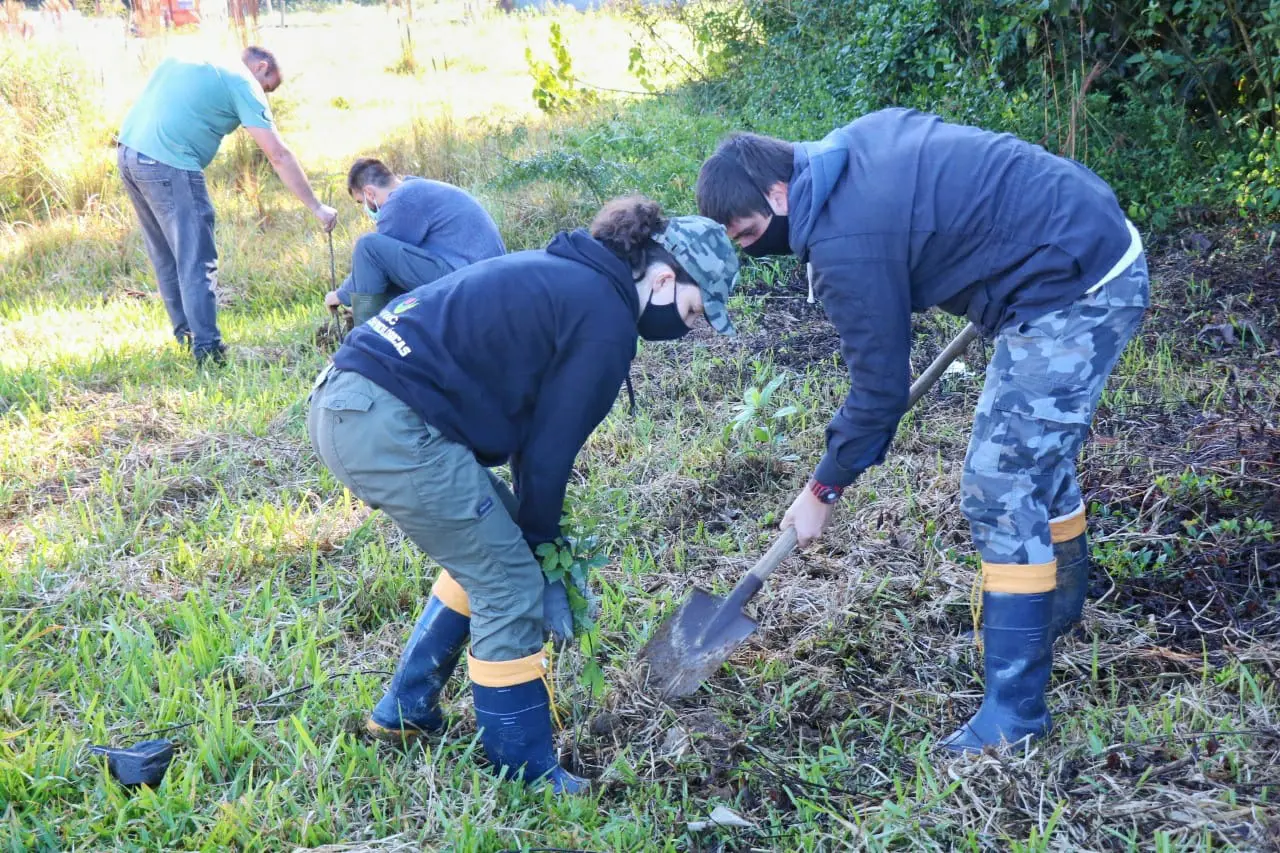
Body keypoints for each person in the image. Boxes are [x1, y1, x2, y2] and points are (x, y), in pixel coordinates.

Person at [695, 108, 1148, 754]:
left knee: (1000, 483)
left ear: (778, 194)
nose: (752, 247)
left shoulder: (844, 243)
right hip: (1085, 235)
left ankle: (1015, 716)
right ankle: (1060, 611)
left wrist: (822, 489)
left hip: (1079, 287)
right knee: (1032, 444)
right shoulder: (851, 143)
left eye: (749, 234)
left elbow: (878, 391)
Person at [307, 196, 739, 792]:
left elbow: (532, 439)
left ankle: (404, 712)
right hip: (388, 425)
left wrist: (537, 538)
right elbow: (547, 454)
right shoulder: (605, 319)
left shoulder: (570, 277)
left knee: (494, 546)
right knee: (509, 581)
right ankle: (526, 770)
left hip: (348, 402)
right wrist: (541, 556)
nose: (687, 328)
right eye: (692, 312)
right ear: (664, 278)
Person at [117, 46, 338, 365]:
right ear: (261, 68)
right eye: (268, 88)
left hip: (129, 152)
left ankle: (186, 337)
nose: (264, 97)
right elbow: (278, 155)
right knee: (196, 257)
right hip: (169, 162)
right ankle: (208, 351)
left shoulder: (192, 56)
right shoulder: (243, 82)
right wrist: (317, 207)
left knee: (165, 254)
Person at [324, 158, 506, 327]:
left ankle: (364, 341)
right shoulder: (416, 189)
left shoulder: (403, 200)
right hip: (480, 278)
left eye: (360, 202)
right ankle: (384, 328)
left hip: (468, 282)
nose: (365, 209)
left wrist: (340, 295)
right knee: (386, 286)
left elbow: (373, 260)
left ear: (369, 193)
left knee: (368, 247)